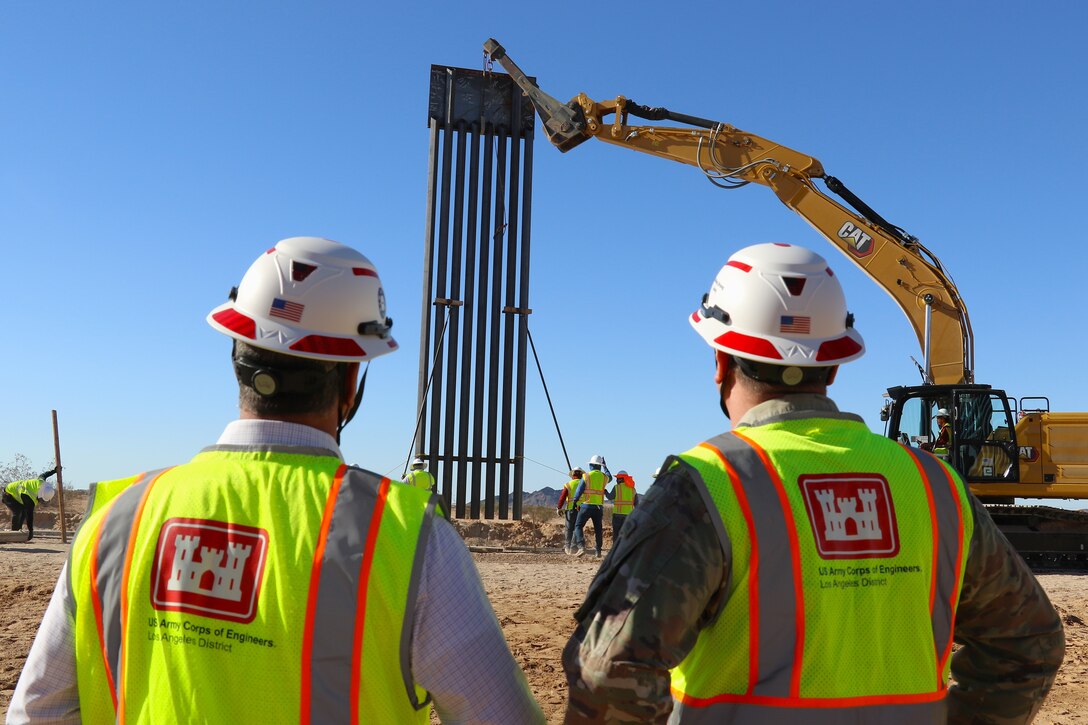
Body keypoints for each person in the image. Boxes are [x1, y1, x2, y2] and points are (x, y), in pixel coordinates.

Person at [9, 237, 544, 724]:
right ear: (352, 378)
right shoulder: (406, 539)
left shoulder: (116, 517)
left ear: (236, 357)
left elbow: (38, 712)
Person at [562, 243, 1064, 723]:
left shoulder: (708, 484)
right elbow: (1029, 642)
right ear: (833, 365)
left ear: (720, 362)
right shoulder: (938, 488)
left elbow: (610, 674)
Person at [570, 456, 610, 558]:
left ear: (591, 465)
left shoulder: (586, 476)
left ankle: (581, 546)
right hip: (599, 507)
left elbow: (579, 490)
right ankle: (598, 551)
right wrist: (605, 466)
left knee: (578, 526)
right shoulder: (604, 477)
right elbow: (610, 476)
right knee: (598, 529)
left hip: (586, 506)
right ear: (600, 466)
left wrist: (575, 501)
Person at [3, 468, 57, 541]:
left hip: (17, 495)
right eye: (42, 499)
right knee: (18, 511)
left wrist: (54, 471)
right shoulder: (29, 497)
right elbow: (30, 516)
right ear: (40, 495)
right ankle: (14, 533)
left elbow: (44, 475)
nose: (41, 501)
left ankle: (18, 531)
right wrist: (31, 531)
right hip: (8, 494)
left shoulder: (41, 483)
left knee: (23, 511)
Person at [557, 468, 584, 554]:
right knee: (577, 528)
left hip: (570, 509)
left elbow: (562, 497)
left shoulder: (568, 484)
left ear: (572, 475)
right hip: (582, 509)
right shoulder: (585, 484)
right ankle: (573, 547)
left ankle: (567, 547)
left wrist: (559, 508)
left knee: (569, 529)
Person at [606, 470, 638, 535]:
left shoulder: (616, 487)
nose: (616, 480)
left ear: (621, 479)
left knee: (616, 534)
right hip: (628, 516)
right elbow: (636, 504)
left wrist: (605, 492)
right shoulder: (633, 489)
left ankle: (616, 545)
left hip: (617, 515)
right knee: (626, 535)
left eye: (617, 478)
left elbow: (610, 497)